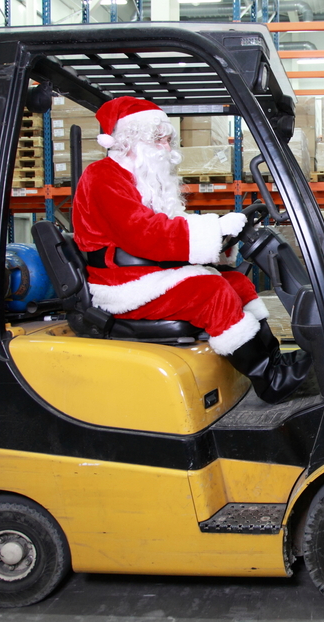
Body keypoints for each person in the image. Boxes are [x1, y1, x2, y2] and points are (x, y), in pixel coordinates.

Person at [71, 95, 311, 404]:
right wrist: (214, 230)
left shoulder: (143, 179)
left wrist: (220, 232)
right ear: (129, 140)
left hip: (150, 273)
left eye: (168, 140)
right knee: (210, 292)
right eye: (159, 140)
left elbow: (171, 224)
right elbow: (143, 234)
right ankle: (270, 380)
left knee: (237, 283)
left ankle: (274, 361)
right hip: (124, 284)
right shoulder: (103, 176)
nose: (167, 149)